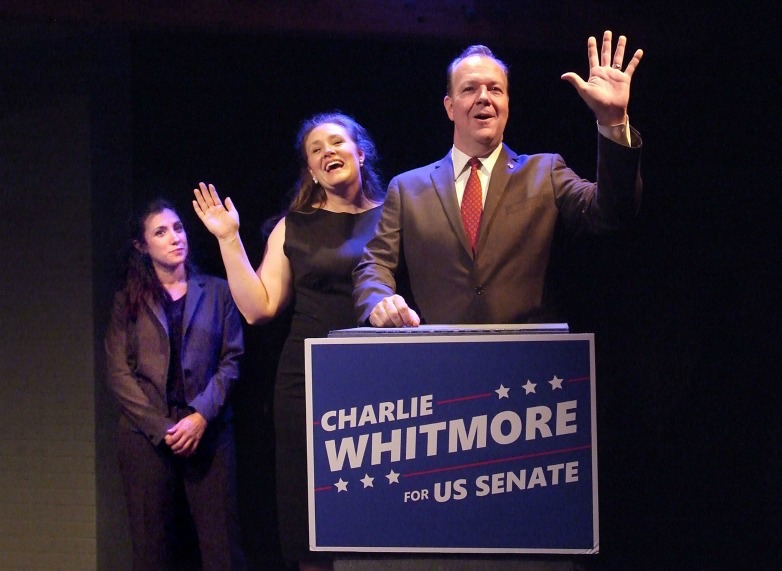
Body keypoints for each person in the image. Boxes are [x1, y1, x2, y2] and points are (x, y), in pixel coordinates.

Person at [192, 112, 385, 571]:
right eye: (315, 151)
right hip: (309, 384)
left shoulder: (395, 213)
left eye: (336, 142)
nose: (327, 153)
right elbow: (259, 308)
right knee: (311, 519)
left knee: (379, 504)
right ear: (312, 172)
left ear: (361, 152)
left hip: (381, 378)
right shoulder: (292, 226)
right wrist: (229, 239)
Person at [353, 31, 644, 327]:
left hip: (526, 364)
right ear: (449, 107)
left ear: (507, 103)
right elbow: (374, 263)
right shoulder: (407, 188)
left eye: (495, 89)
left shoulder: (545, 172)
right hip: (439, 360)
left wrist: (612, 121)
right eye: (469, 89)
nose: (484, 98)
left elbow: (612, 213)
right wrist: (378, 300)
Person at [104, 198, 246, 570]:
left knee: (223, 550)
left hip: (209, 432)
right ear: (142, 245)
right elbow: (119, 374)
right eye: (161, 232)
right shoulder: (127, 301)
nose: (174, 238)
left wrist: (200, 415)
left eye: (179, 228)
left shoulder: (218, 291)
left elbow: (231, 361)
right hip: (146, 438)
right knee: (151, 551)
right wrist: (162, 427)